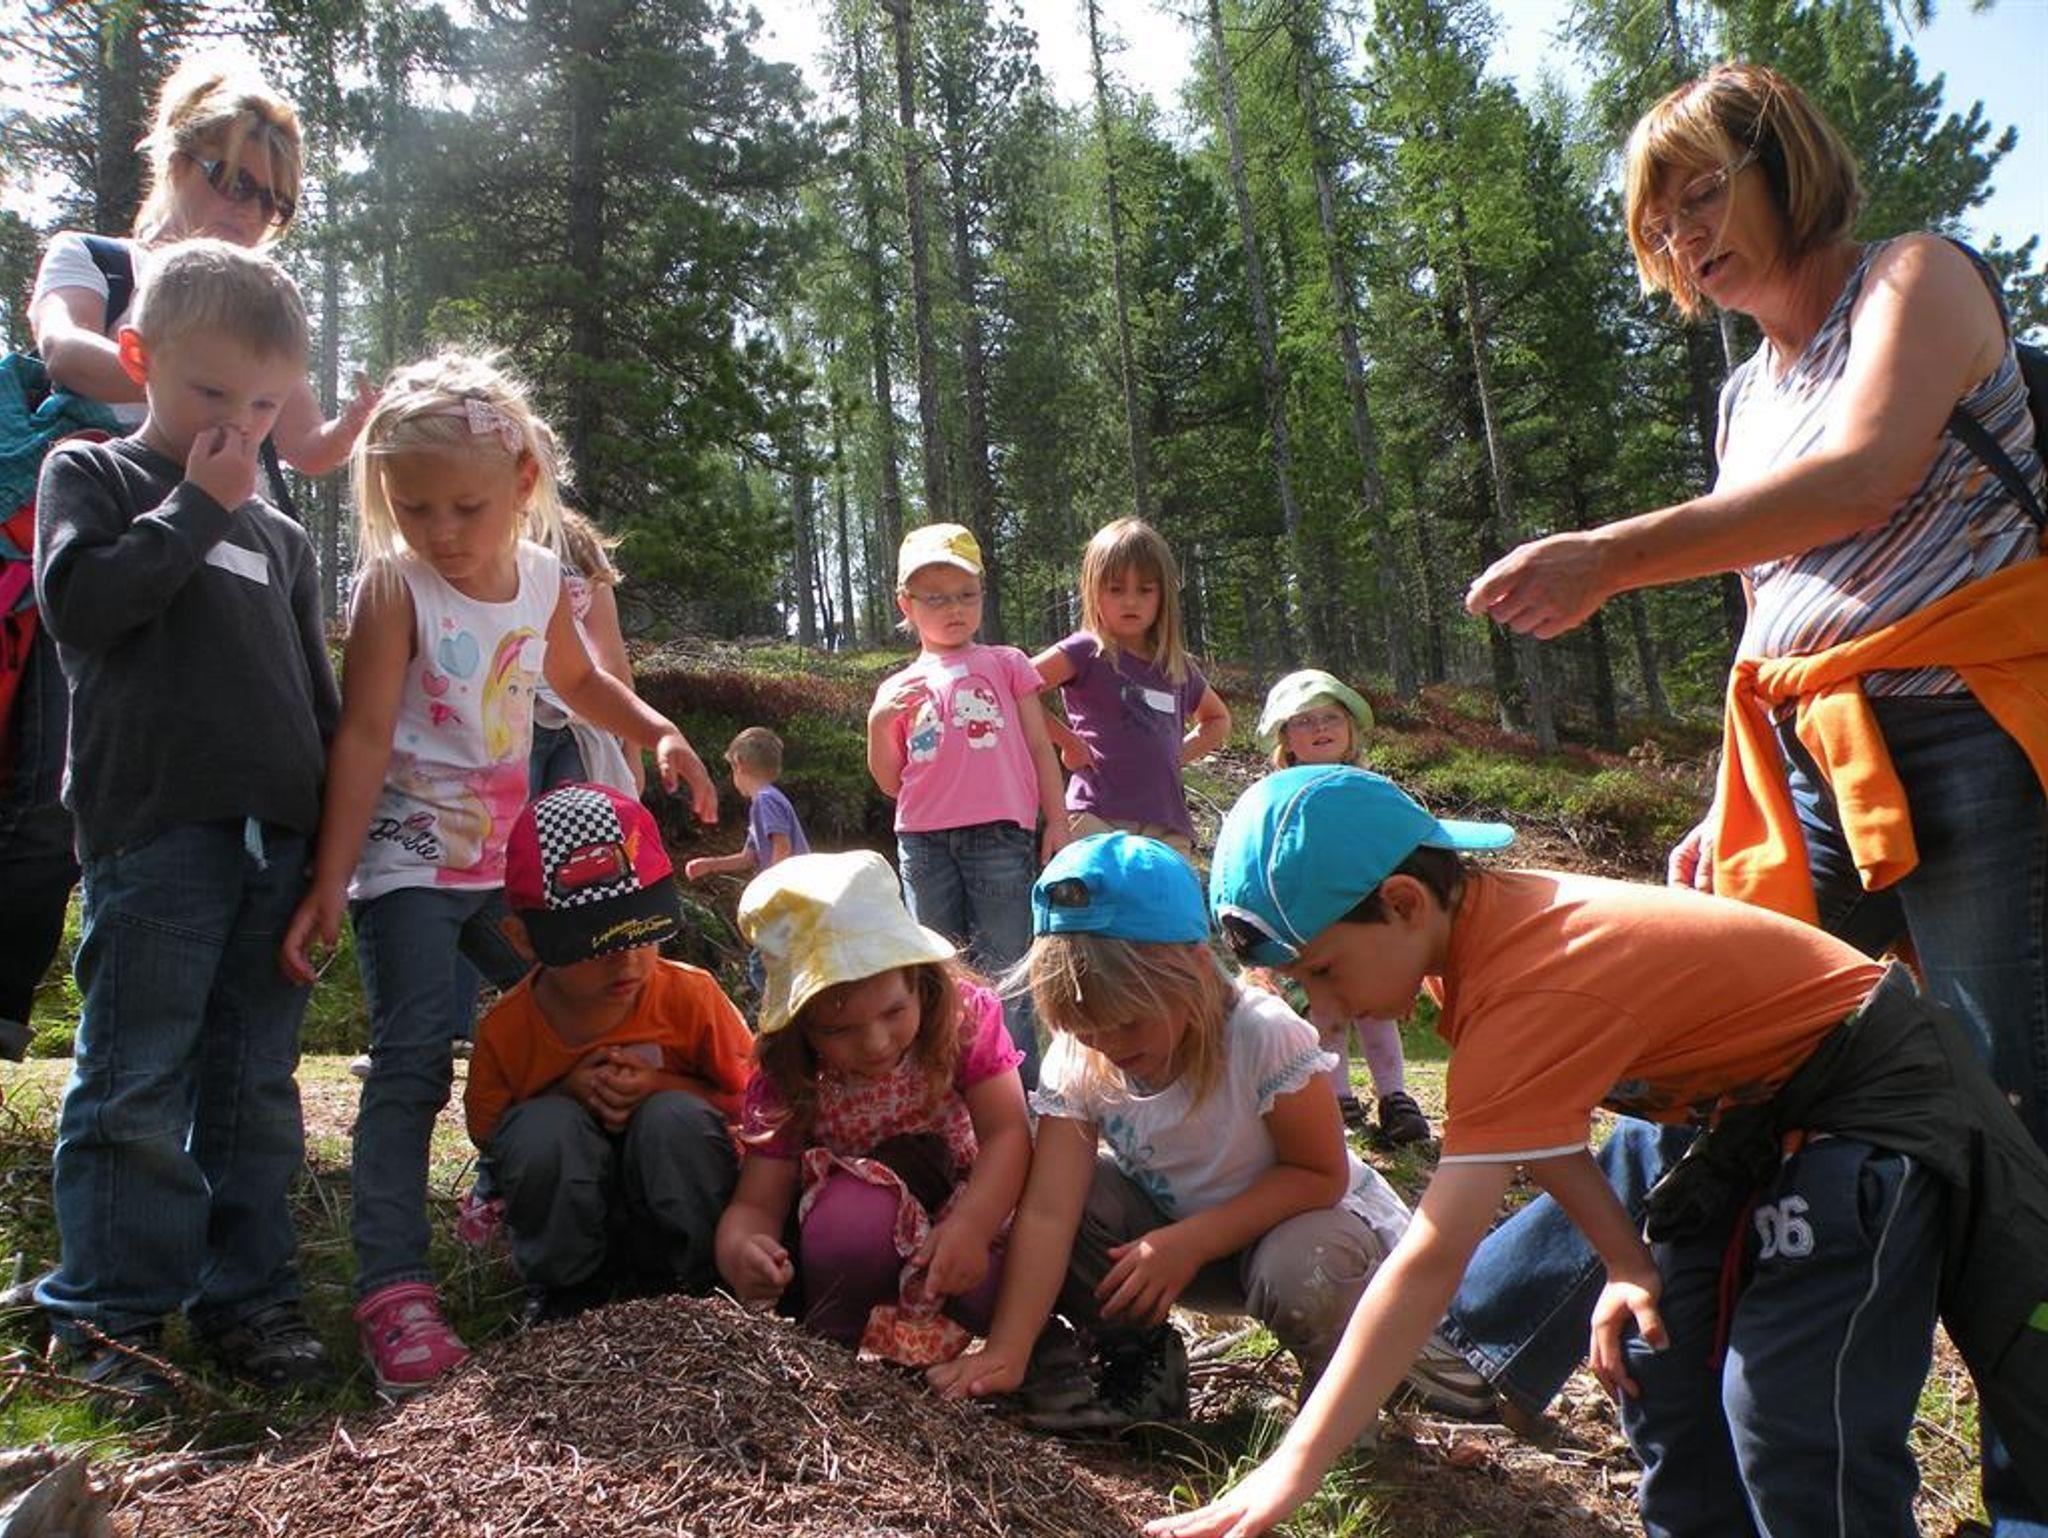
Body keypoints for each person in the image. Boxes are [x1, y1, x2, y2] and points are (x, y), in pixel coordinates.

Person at [1462, 63, 2047, 1525]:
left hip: (1972, 731)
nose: (1682, 236)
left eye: (1702, 194)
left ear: (1787, 166)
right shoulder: (1744, 392)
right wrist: (1731, 801)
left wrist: (1608, 555)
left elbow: (1862, 478)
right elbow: (1772, 601)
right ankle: (1490, 1338)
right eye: (1656, 221)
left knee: (2007, 1104)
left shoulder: (1917, 278)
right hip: (1807, 760)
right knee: (1713, 1035)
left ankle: (2034, 1484)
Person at [1152, 765, 2048, 1538]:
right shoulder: (1476, 937)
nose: (1324, 1008)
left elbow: (1429, 1260)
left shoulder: (1531, 982)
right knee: (1664, 1368)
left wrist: (1296, 1466)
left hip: (1872, 1102)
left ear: (1403, 902)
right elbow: (1542, 1133)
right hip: (1743, 1122)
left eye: (1323, 972)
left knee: (1790, 1410)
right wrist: (1623, 1259)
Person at [277, 348, 718, 1396]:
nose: (440, 530)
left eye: (464, 507)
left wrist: (657, 730)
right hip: (408, 868)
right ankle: (394, 1289)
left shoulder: (542, 580)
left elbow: (579, 682)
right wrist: (332, 880)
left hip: (512, 871)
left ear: (522, 482)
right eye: (413, 507)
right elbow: (364, 734)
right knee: (411, 1062)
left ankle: (531, 1195)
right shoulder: (396, 588)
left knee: (568, 1011)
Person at [5, 55, 374, 1061]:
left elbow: (302, 444)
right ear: (176, 157)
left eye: (272, 199)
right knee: (44, 791)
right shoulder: (95, 257)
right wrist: (179, 360)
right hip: (92, 523)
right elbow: (63, 350)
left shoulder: (260, 305)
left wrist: (346, 420)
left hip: (231, 544)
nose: (248, 211)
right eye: (232, 178)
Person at [29, 241, 340, 1409]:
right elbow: (81, 604)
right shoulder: (95, 475)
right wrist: (195, 508)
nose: (238, 424)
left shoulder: (283, 539)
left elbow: (318, 705)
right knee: (135, 1079)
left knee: (254, 1083)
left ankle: (248, 1299)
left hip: (278, 849)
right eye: (212, 392)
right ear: (138, 358)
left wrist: (329, 866)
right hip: (155, 832)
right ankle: (110, 1314)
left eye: (262, 405)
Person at [928, 833, 1482, 1433]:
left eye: (1129, 1024)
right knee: (1076, 1195)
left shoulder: (1261, 1035)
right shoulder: (1082, 1057)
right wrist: (1007, 1348)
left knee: (1302, 1269)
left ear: (1192, 968)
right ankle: (1142, 1366)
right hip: (1183, 1249)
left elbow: (1319, 1176)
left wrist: (1191, 1241)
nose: (1108, 1045)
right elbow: (1047, 1212)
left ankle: (1343, 1403)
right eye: (1088, 1030)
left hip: (1304, 1234)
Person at [714, 850, 1031, 1366]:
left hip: (964, 1207)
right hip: (859, 1237)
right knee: (851, 1225)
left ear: (920, 981)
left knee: (990, 1280)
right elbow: (756, 1205)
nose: (876, 1043)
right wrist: (742, 1249)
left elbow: (1008, 1133)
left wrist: (973, 1225)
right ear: (800, 1027)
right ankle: (832, 1352)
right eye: (839, 1030)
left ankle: (1017, 1350)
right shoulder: (790, 1077)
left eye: (894, 1011)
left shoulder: (961, 1019)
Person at [465, 782, 753, 1323]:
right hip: (567, 1220)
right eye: (596, 945)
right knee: (542, 1130)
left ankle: (701, 1285)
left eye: (642, 934)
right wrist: (565, 1093)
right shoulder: (508, 1028)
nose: (626, 962)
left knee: (674, 1118)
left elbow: (752, 1103)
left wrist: (659, 1087)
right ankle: (565, 1295)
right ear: (524, 940)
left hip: (674, 1202)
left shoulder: (689, 997)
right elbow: (490, 1133)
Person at [867, 522, 1067, 1084]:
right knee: (937, 971)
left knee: (1007, 971)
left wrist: (1057, 821)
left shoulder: (1005, 663)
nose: (954, 608)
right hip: (922, 841)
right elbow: (891, 782)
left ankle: (1021, 1096)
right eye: (935, 598)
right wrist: (879, 722)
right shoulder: (897, 687)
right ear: (906, 605)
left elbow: (1039, 746)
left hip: (1000, 835)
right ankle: (949, 1094)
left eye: (966, 595)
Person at [1252, 669, 1428, 1147]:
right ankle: (1338, 1099)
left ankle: (1394, 1097)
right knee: (1326, 1011)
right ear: (1286, 739)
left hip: (1370, 917)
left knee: (1376, 1008)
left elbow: (1399, 838)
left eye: (1330, 717)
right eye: (1303, 721)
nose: (1319, 728)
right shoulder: (1278, 796)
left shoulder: (1370, 788)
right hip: (1313, 922)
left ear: (1350, 727)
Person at [1031, 518, 1230, 860]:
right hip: (1096, 813)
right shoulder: (1086, 650)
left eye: (1145, 590)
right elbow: (1016, 688)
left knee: (1168, 895)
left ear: (1163, 595)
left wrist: (1175, 756)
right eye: (1116, 589)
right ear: (1093, 590)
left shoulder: (1176, 666)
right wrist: (1067, 742)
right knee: (1093, 894)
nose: (1130, 602)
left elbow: (1217, 719)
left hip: (1167, 822)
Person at [528, 502, 641, 796]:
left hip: (582, 728)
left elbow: (611, 655)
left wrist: (632, 749)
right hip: (513, 722)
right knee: (507, 823)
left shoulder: (577, 539)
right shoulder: (484, 530)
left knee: (578, 824)